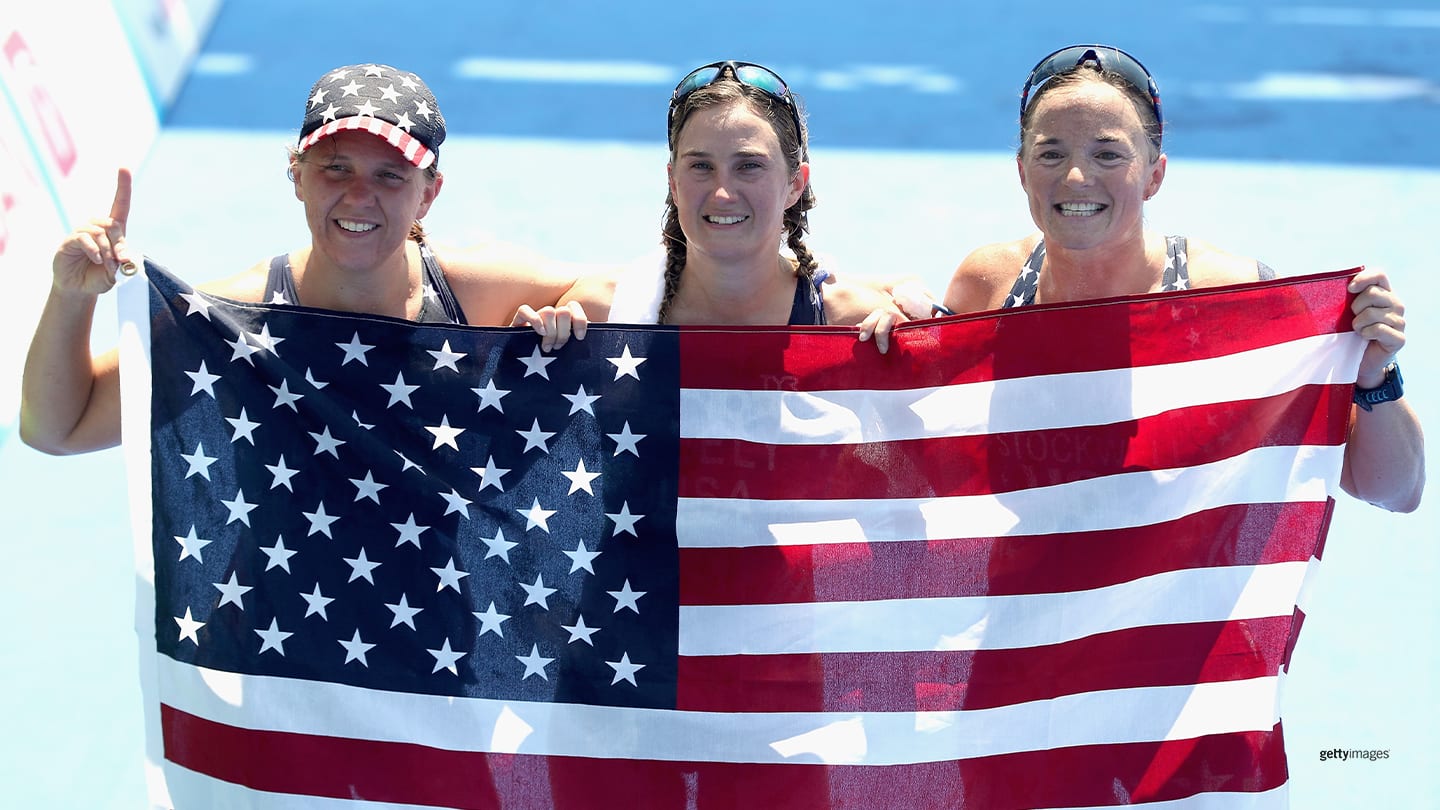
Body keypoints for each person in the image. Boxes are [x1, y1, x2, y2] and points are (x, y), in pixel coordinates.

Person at [939, 44, 1424, 512]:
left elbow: (1391, 491)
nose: (1076, 178)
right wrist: (882, 345)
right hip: (1027, 592)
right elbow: (923, 451)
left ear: (1154, 175)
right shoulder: (990, 287)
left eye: (1108, 154)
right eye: (1051, 155)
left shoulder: (1233, 300)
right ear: (1023, 172)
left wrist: (1373, 377)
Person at [20, 62, 585, 456]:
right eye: (335, 168)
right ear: (296, 176)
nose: (359, 196)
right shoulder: (232, 321)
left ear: (428, 193)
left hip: (441, 625)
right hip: (277, 624)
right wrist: (70, 298)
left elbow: (626, 295)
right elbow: (58, 430)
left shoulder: (478, 290)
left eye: (390, 176)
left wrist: (568, 317)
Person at [559, 60, 902, 348]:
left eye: (749, 166)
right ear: (673, 183)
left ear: (795, 184)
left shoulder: (854, 326)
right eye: (701, 166)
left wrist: (914, 348)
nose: (723, 194)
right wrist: (525, 354)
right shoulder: (598, 320)